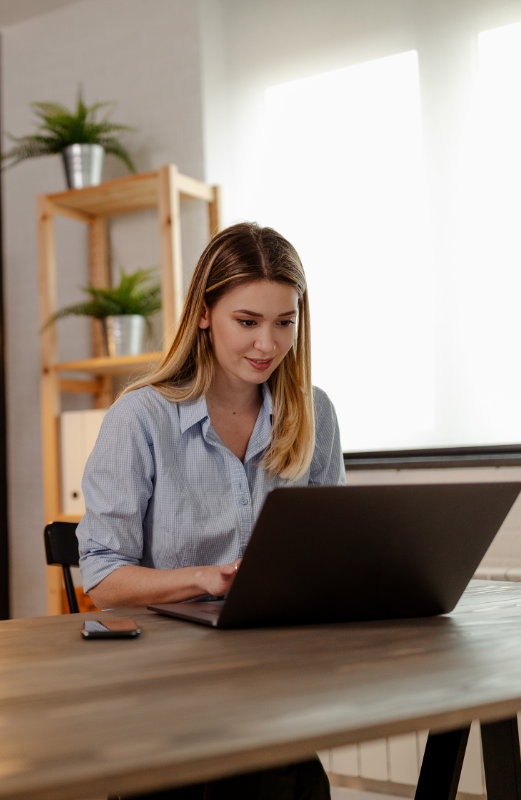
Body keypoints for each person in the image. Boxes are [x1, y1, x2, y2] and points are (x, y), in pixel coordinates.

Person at [78, 222, 343, 800]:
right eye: (247, 322)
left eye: (284, 322)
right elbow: (102, 579)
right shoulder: (140, 420)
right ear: (204, 313)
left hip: (274, 681)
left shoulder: (315, 413)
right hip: (167, 696)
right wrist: (208, 577)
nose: (267, 345)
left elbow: (331, 553)